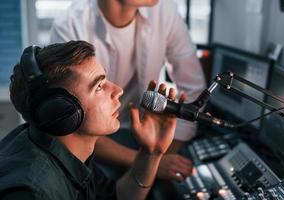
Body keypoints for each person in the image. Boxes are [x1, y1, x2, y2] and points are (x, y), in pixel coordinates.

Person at [0, 41, 181, 200]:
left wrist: (151, 152)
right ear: (61, 110)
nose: (118, 90)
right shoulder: (33, 192)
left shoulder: (68, 152)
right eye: (99, 86)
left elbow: (119, 196)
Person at [50, 0, 206, 180]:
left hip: (146, 134)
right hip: (95, 140)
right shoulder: (70, 25)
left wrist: (160, 156)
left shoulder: (165, 11)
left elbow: (193, 91)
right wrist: (149, 162)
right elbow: (73, 123)